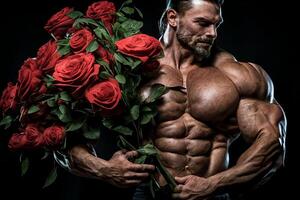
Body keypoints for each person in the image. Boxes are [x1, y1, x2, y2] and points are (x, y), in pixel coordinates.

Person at [65, 0, 286, 199]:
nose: (212, 33)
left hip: (213, 195)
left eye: (215, 25)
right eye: (202, 23)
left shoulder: (237, 75)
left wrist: (214, 185)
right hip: (149, 194)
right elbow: (67, 141)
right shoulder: (131, 70)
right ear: (173, 18)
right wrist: (105, 169)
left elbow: (272, 146)